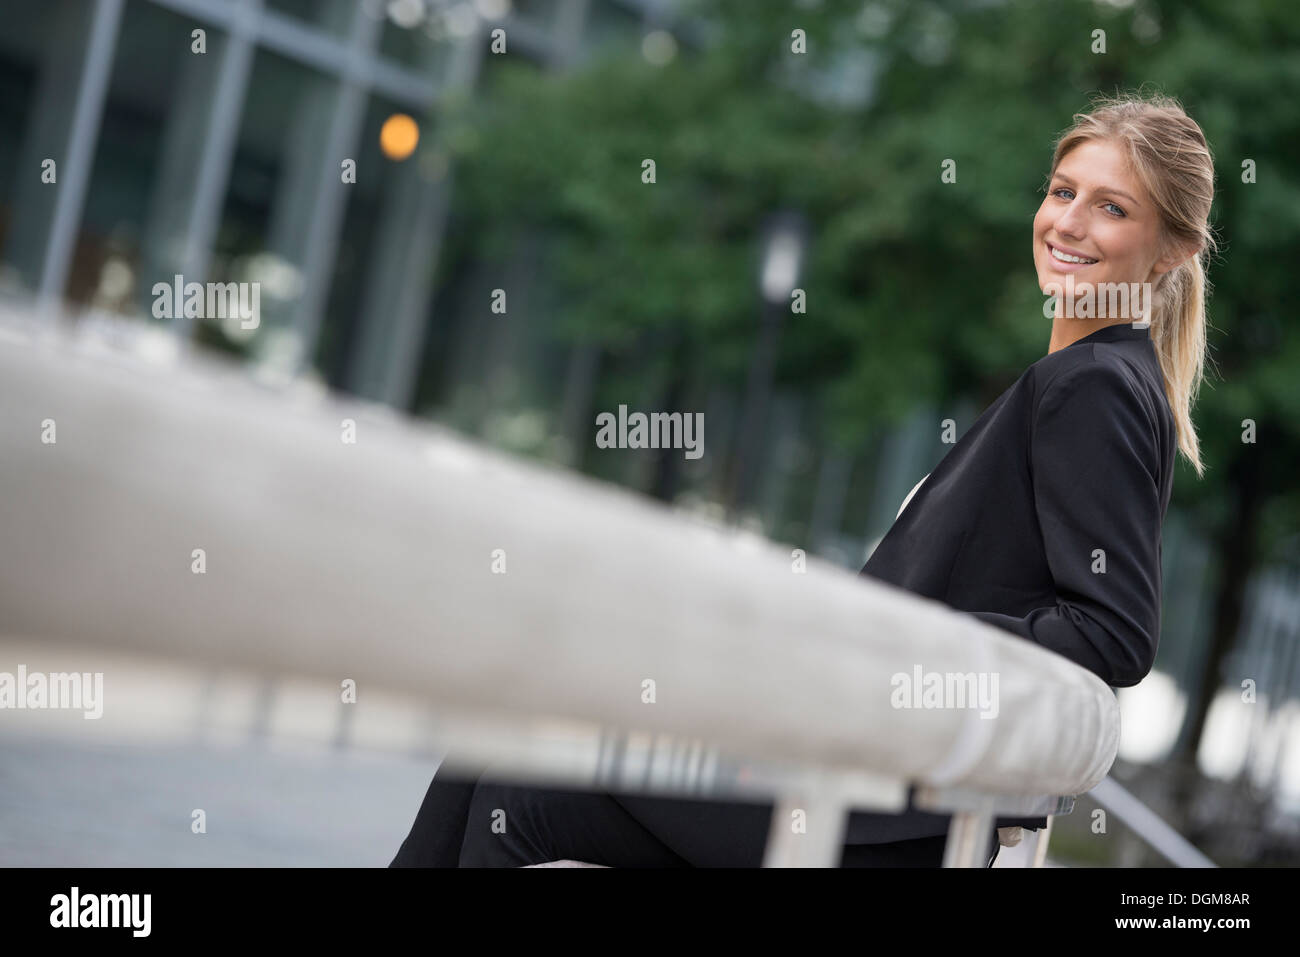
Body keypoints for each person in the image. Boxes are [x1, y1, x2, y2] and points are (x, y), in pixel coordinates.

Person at [390, 92, 1215, 868]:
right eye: (1063, 191)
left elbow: (1113, 632)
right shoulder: (1102, 377)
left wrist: (908, 652)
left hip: (872, 805)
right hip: (867, 774)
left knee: (517, 782)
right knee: (506, 756)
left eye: (1112, 207)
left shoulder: (1092, 385)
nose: (1068, 222)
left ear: (1174, 248)